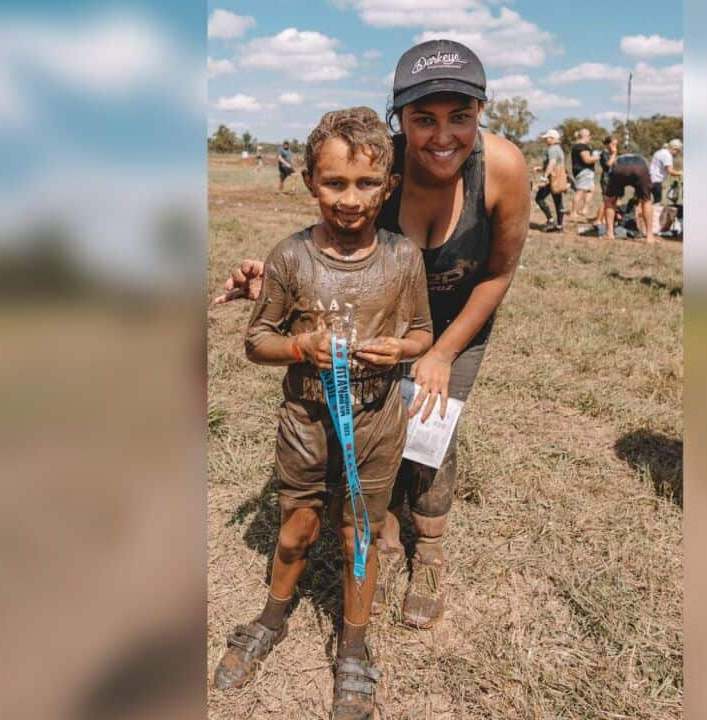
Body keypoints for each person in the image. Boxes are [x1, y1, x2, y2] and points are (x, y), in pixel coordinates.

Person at [216, 39, 530, 634]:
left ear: (482, 113)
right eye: (423, 119)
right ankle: (381, 540)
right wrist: (273, 279)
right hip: (381, 323)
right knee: (381, 431)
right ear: (399, 120)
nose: (443, 137)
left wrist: (439, 352)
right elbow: (338, 238)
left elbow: (498, 271)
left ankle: (429, 556)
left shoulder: (504, 167)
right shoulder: (377, 166)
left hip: (461, 318)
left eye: (460, 117)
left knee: (431, 431)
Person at [212, 108, 434, 720]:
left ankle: (354, 646)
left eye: (366, 184)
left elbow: (420, 331)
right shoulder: (290, 257)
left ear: (388, 187)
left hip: (377, 416)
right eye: (334, 183)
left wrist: (403, 349)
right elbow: (257, 341)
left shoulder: (402, 257)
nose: (350, 199)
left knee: (358, 529)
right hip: (306, 420)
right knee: (297, 528)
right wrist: (300, 347)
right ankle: (272, 615)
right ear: (310, 180)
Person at [601, 152, 657, 242]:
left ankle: (609, 234)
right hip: (640, 168)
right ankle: (650, 236)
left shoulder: (619, 157)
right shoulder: (641, 158)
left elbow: (610, 167)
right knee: (646, 201)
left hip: (620, 168)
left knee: (610, 201)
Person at [533, 128, 566, 232]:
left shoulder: (551, 149)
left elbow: (552, 163)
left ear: (552, 138)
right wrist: (541, 168)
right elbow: (556, 164)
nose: (545, 140)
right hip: (559, 178)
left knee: (539, 198)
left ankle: (550, 220)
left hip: (552, 178)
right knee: (558, 201)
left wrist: (544, 177)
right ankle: (559, 226)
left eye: (547, 138)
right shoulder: (559, 149)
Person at [569, 127, 599, 221]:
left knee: (591, 190)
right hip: (584, 171)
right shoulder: (582, 147)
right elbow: (587, 160)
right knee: (580, 191)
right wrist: (598, 157)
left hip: (584, 172)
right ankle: (573, 212)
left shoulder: (576, 146)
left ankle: (584, 210)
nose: (590, 138)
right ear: (585, 136)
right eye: (589, 136)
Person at [592, 135, 619, 225]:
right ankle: (598, 219)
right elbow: (608, 164)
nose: (615, 146)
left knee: (612, 201)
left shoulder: (611, 153)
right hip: (606, 178)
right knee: (606, 201)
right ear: (608, 144)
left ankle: (605, 219)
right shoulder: (604, 153)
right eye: (613, 144)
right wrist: (614, 153)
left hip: (613, 178)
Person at [648, 138, 682, 207]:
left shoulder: (659, 152)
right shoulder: (667, 155)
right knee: (657, 203)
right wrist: (680, 173)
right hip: (656, 181)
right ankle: (653, 217)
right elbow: (670, 171)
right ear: (674, 148)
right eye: (677, 151)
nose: (677, 153)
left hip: (649, 179)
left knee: (646, 202)